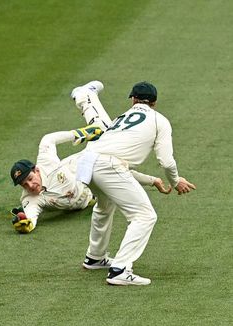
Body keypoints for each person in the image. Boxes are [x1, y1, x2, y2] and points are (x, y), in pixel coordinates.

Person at [10, 82, 171, 243]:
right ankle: (84, 94)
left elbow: (47, 140)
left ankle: (84, 95)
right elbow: (31, 218)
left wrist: (81, 133)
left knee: (103, 130)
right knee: (106, 136)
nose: (30, 186)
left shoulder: (46, 163)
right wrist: (26, 224)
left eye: (30, 179)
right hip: (90, 189)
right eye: (24, 184)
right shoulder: (30, 199)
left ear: (36, 170)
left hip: (84, 162)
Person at [72, 81, 196, 285]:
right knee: (145, 216)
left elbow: (114, 162)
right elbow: (165, 161)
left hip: (86, 161)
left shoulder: (120, 118)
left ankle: (95, 257)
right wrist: (175, 181)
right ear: (154, 102)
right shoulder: (160, 121)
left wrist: (151, 180)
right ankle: (120, 269)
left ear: (133, 99)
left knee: (104, 206)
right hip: (107, 165)